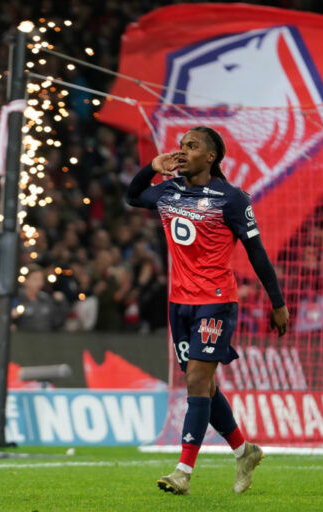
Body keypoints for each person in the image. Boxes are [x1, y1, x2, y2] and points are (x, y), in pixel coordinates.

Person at [125, 126, 289, 495]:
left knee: (197, 381)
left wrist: (277, 302)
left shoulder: (231, 198)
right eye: (181, 145)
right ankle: (244, 451)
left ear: (210, 157)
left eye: (192, 146)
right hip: (179, 303)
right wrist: (153, 165)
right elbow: (133, 196)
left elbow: (256, 252)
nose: (183, 151)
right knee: (205, 386)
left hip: (215, 299)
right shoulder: (169, 191)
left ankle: (183, 472)